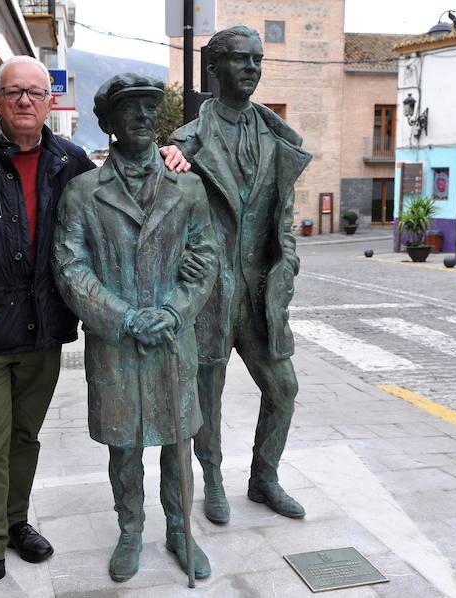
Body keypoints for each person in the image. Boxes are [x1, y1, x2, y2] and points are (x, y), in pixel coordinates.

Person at [0, 56, 190, 598]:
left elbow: (118, 183)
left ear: (49, 102)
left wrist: (166, 154)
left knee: (24, 437)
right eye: (14, 91)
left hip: (41, 333)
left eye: (35, 93)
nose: (25, 100)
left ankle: (15, 522)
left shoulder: (70, 160)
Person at [53, 73, 218, 582]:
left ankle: (179, 530)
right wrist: (123, 317)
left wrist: (174, 311)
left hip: (172, 337)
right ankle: (130, 530)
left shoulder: (188, 187)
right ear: (108, 121)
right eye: (131, 108)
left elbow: (204, 258)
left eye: (151, 108)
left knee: (177, 443)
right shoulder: (82, 193)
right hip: (116, 345)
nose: (144, 117)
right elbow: (70, 267)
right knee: (124, 447)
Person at [171, 26, 313, 524]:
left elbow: (283, 219)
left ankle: (264, 478)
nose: (251, 67)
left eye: (257, 59)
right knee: (207, 394)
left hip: (260, 293)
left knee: (284, 388)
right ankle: (212, 479)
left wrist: (288, 262)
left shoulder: (277, 139)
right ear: (214, 68)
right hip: (210, 294)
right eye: (240, 59)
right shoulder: (185, 144)